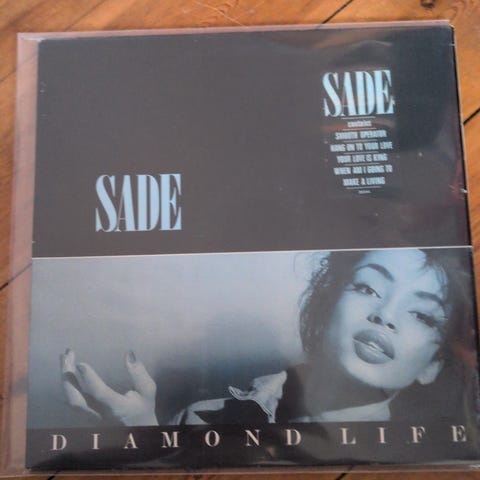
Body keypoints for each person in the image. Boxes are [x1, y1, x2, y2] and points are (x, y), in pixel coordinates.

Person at [60, 248, 475, 425]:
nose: (384, 316)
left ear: (435, 363)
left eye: (422, 314)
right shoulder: (208, 416)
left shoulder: (429, 452)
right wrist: (143, 437)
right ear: (328, 304)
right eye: (367, 288)